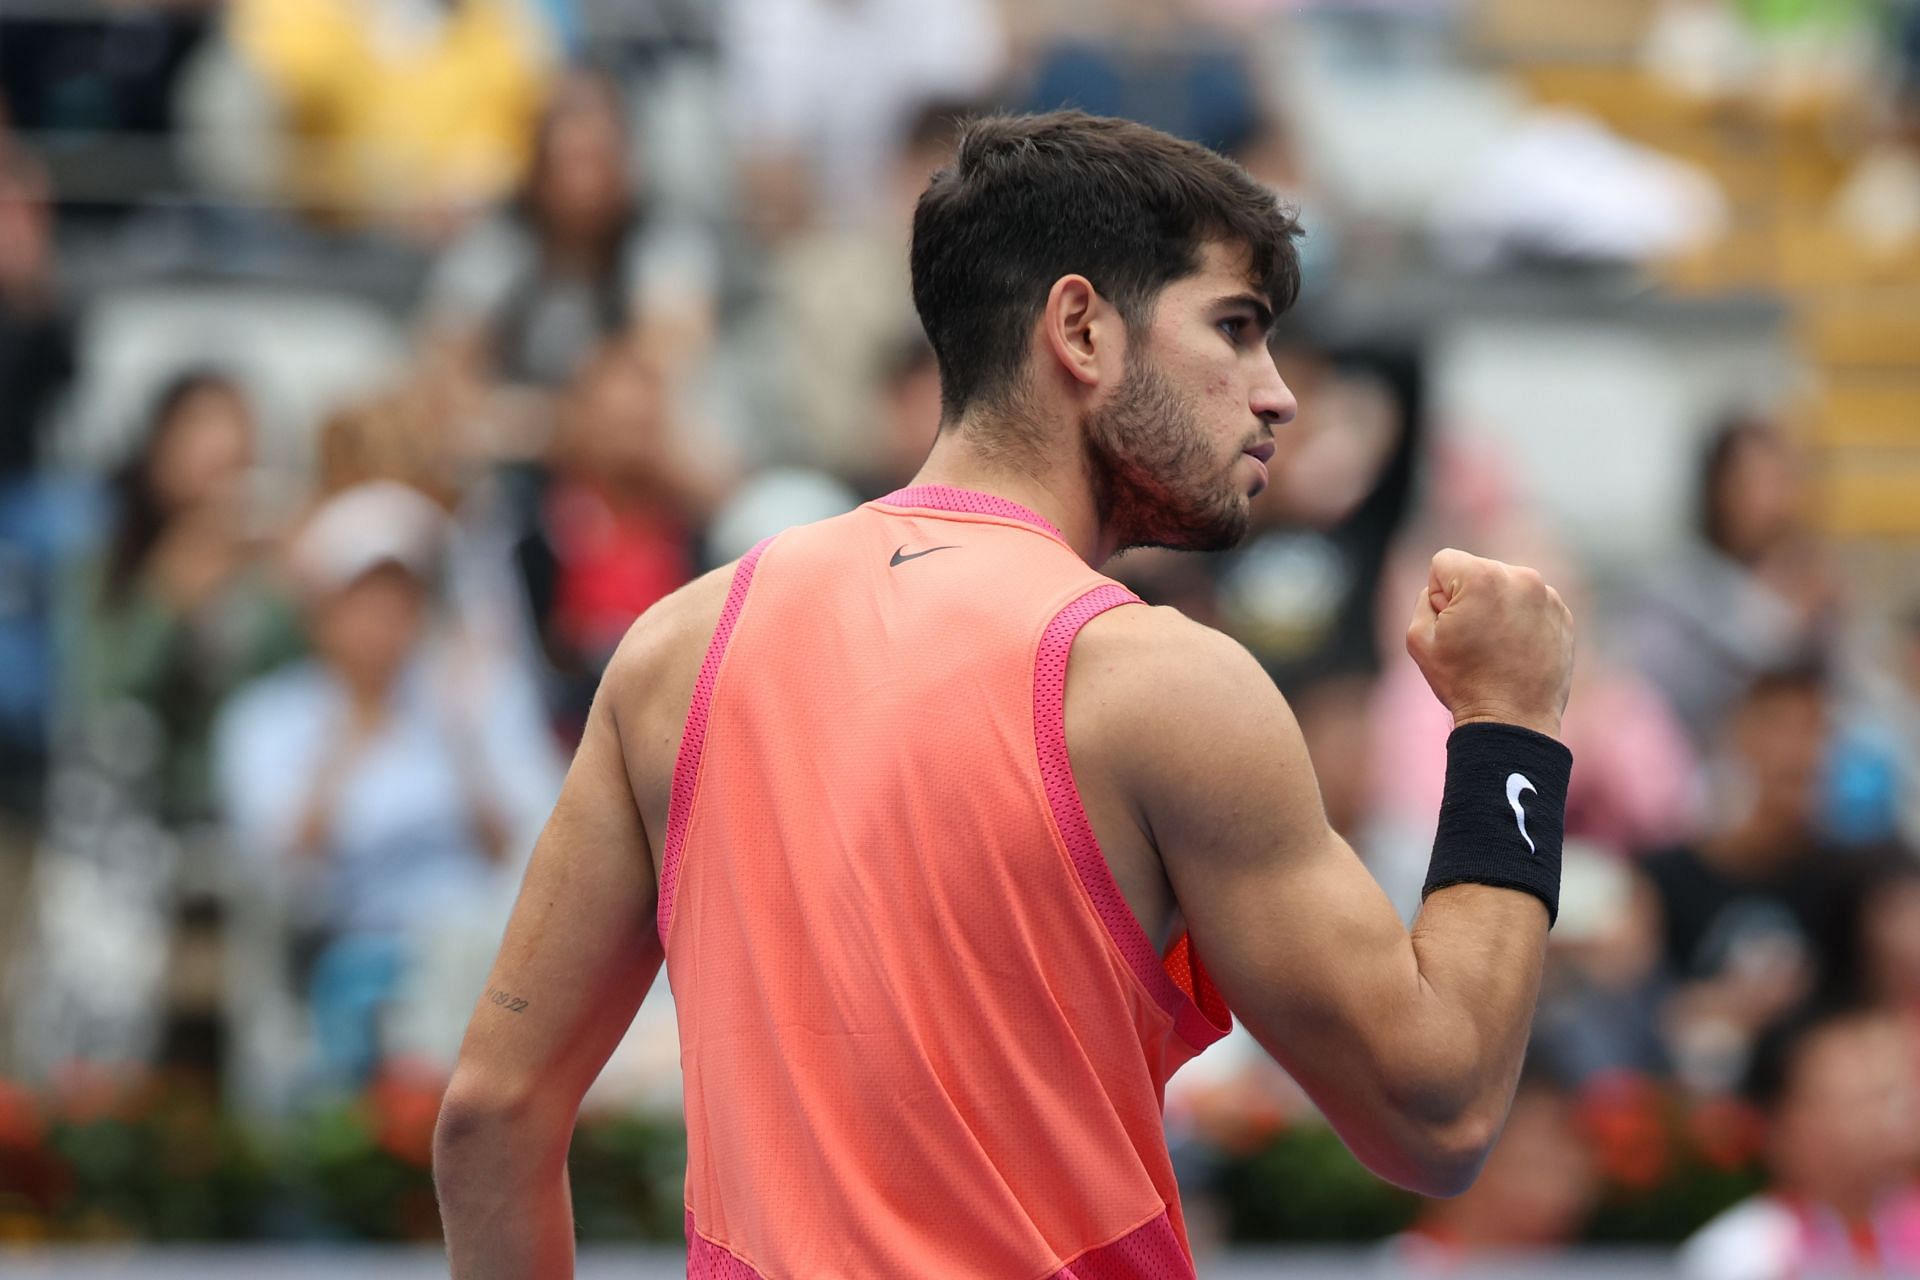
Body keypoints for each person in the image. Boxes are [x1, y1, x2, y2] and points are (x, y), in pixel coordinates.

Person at [434, 111, 1577, 1279]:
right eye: (1234, 329)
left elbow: (490, 1116)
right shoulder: (1156, 681)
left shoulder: (677, 646)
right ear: (1080, 328)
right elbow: (1438, 1110)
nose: (1278, 394)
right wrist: (1511, 725)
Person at [1680, 1002, 1920, 1279]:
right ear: (1781, 1123)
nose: (1892, 1117)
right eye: (1861, 1100)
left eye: (1894, 1093)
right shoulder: (1743, 1253)